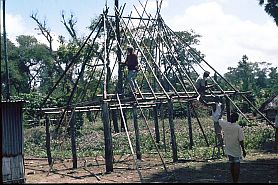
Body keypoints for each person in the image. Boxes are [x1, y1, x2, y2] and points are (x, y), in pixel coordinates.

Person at [216, 111, 247, 183]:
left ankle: (233, 179)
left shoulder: (225, 125)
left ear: (230, 118)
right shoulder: (238, 127)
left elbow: (219, 119)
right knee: (237, 165)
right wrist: (243, 150)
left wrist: (221, 111)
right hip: (236, 149)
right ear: (237, 119)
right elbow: (241, 140)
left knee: (231, 164)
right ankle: (235, 181)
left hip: (228, 148)